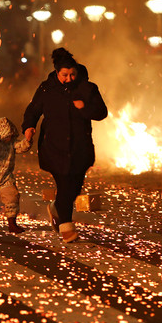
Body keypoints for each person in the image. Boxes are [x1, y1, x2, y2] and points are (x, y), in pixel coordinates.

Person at [22, 48, 108, 243]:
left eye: (72, 74)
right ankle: (66, 227)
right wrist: (28, 127)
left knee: (74, 188)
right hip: (54, 146)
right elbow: (33, 109)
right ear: (57, 72)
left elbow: (101, 112)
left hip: (80, 148)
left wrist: (84, 108)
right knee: (64, 184)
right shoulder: (47, 89)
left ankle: (55, 209)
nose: (69, 78)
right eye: (64, 75)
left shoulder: (88, 88)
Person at [0, 117, 33, 238]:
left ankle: (12, 223)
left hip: (5, 176)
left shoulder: (11, 143)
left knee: (12, 196)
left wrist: (28, 139)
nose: (9, 137)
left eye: (11, 135)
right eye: (7, 135)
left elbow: (21, 147)